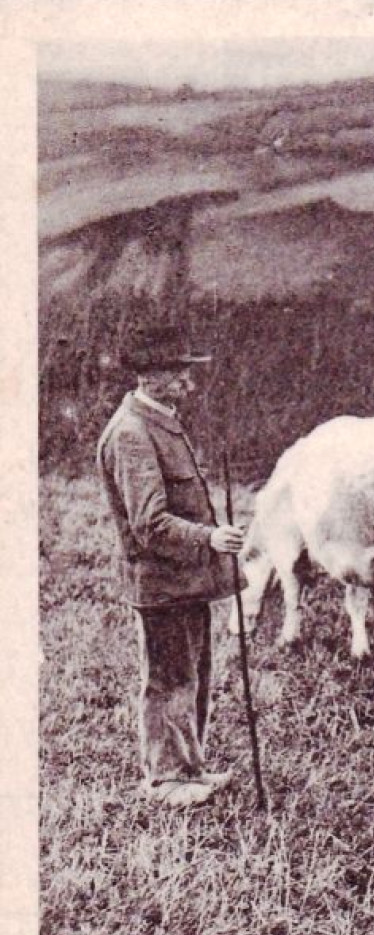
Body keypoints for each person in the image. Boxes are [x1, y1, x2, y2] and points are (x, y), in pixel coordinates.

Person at [95, 325, 245, 807]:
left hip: (186, 582)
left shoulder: (159, 420)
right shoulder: (133, 433)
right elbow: (149, 524)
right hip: (162, 584)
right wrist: (210, 537)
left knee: (192, 674)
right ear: (149, 376)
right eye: (179, 373)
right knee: (169, 679)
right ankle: (165, 780)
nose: (189, 383)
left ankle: (190, 767)